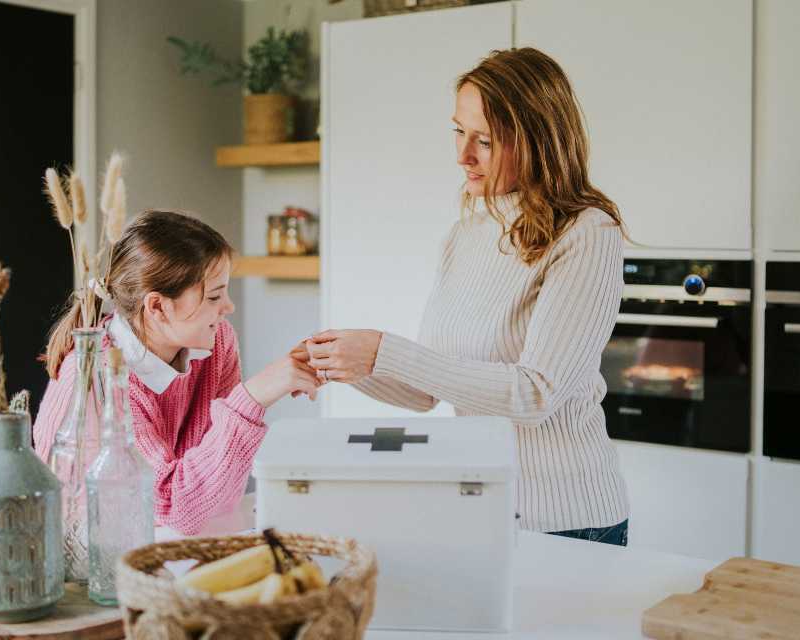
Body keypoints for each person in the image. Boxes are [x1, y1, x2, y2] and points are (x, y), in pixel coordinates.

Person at [298, 48, 631, 545]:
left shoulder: (587, 233)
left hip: (569, 520)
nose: (462, 156)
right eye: (458, 131)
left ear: (537, 142)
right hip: (484, 509)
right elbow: (427, 389)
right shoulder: (468, 231)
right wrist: (341, 365)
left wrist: (384, 349)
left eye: (485, 141)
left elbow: (535, 394)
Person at [34, 210, 321, 536]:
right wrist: (253, 397)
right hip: (95, 557)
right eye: (214, 296)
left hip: (164, 540)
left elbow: (216, 495)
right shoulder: (100, 377)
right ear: (157, 307)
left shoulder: (217, 343)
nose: (228, 307)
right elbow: (176, 505)